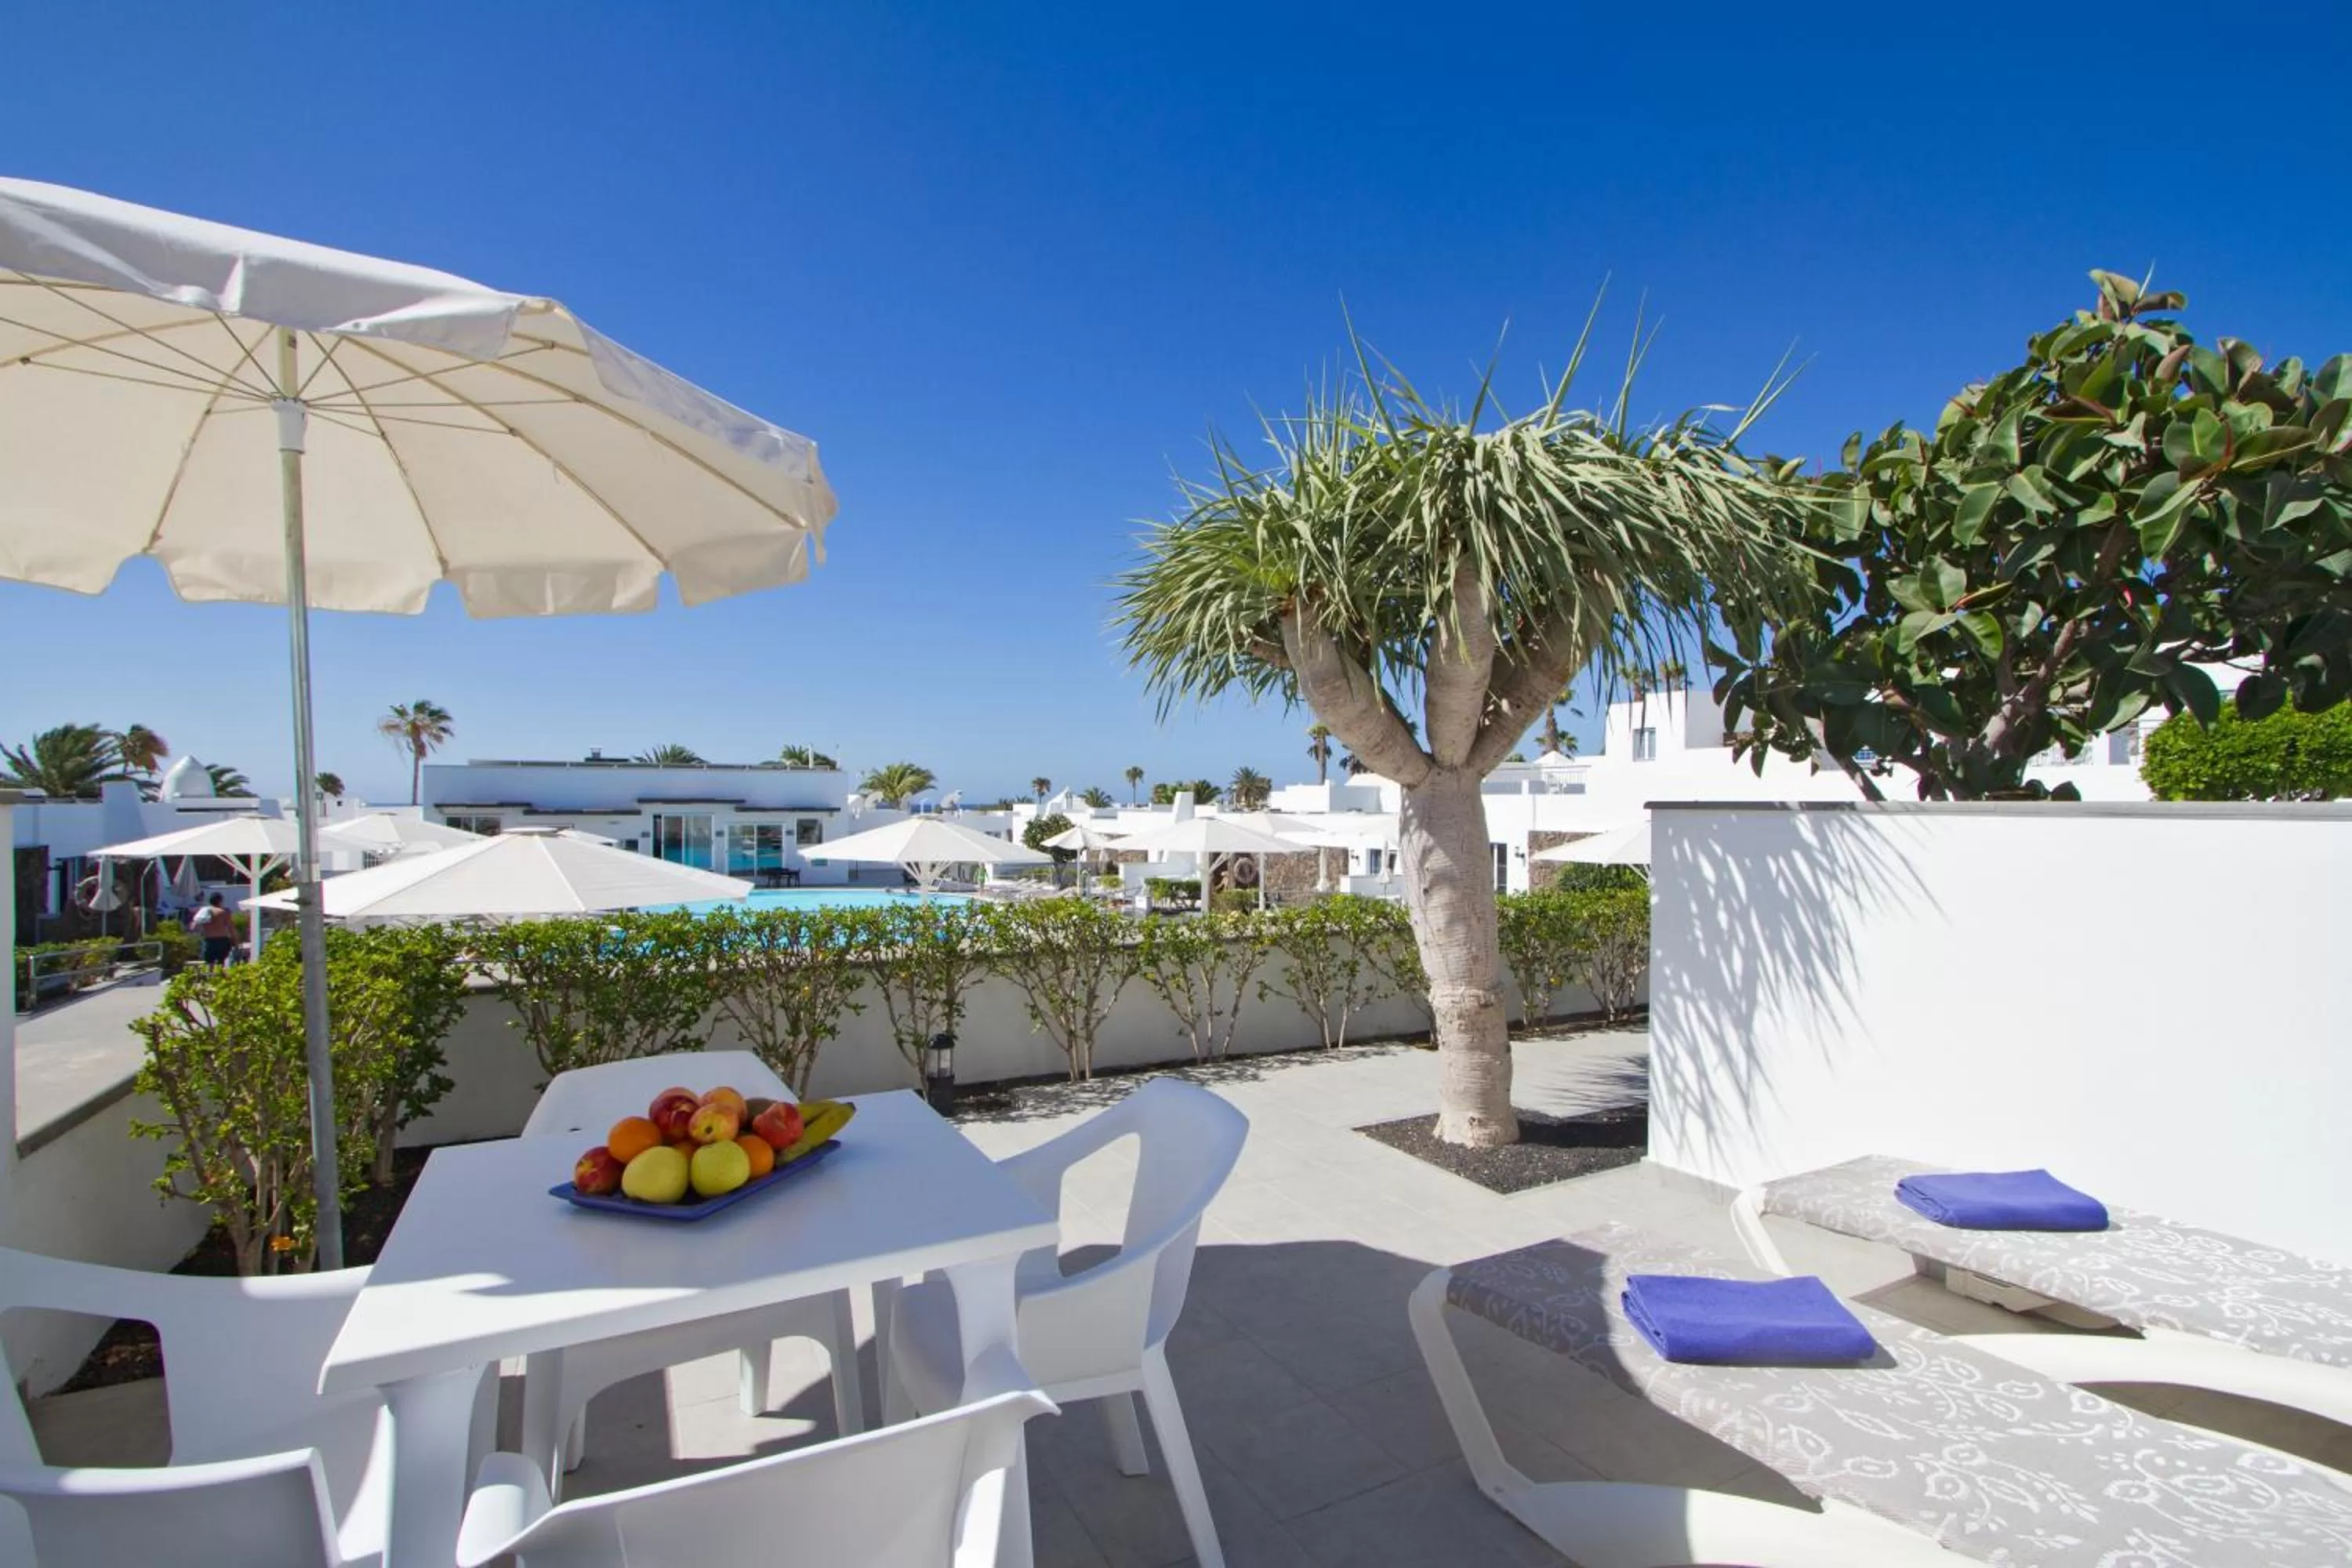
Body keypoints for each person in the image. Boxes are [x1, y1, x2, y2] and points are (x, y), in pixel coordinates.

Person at [190, 893, 237, 967]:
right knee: (221, 963)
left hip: (209, 940)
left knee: (209, 964)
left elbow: (193, 927)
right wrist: (235, 940)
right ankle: (219, 977)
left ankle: (210, 977)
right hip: (222, 940)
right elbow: (231, 928)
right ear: (220, 901)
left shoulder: (204, 912)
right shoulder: (223, 912)